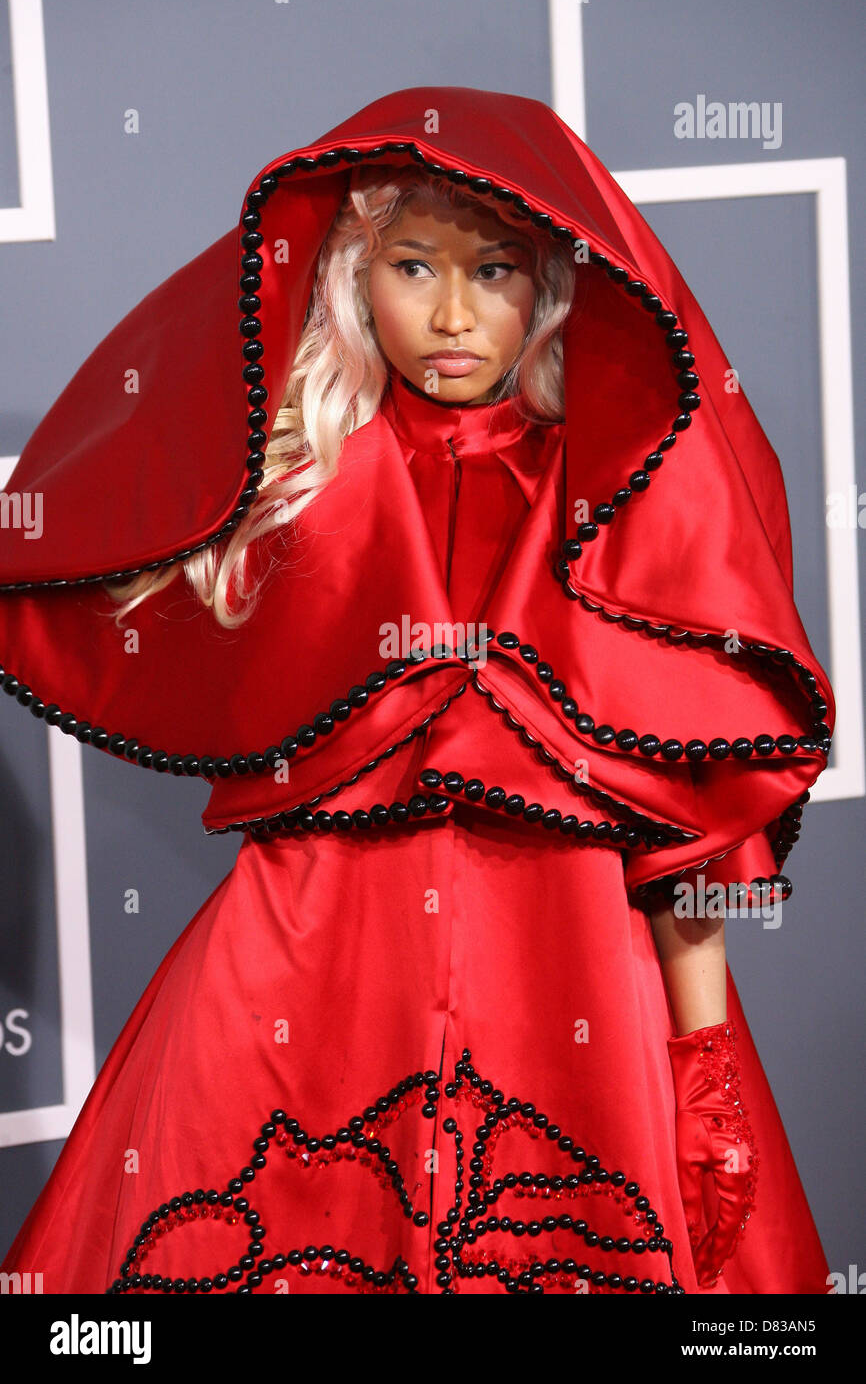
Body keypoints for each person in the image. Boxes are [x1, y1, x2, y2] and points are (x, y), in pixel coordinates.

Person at [0, 86, 834, 1295]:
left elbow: (681, 809)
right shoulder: (299, 495)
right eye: (410, 265)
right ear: (353, 275)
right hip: (305, 980)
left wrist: (699, 1054)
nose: (452, 314)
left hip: (575, 986)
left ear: (546, 285)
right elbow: (86, 546)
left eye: (493, 269)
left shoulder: (609, 509)